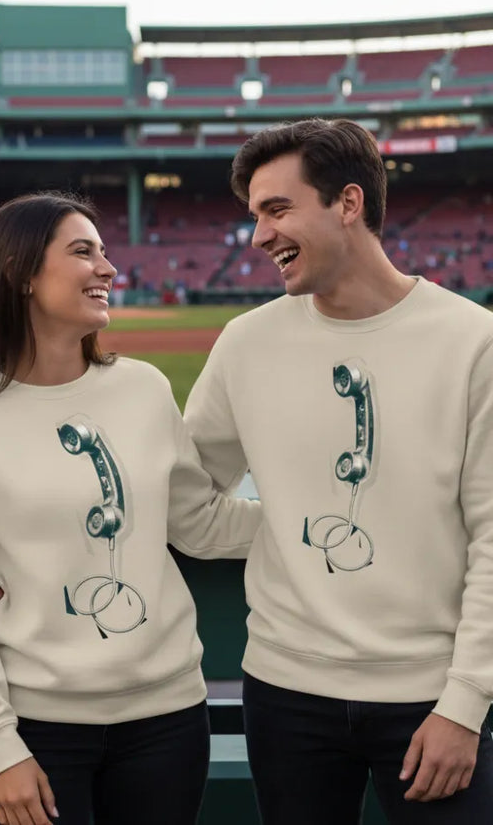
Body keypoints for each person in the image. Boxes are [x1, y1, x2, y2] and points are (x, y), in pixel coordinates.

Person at [0, 192, 261, 825]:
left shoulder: (144, 388)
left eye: (104, 251)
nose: (108, 268)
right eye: (82, 252)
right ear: (19, 273)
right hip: (35, 733)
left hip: (169, 721)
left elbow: (199, 522)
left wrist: (328, 518)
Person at [183, 119, 493, 824]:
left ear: (348, 204)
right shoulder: (246, 342)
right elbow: (183, 503)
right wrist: (287, 529)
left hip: (433, 700)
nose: (258, 235)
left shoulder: (474, 343)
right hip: (283, 695)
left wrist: (467, 702)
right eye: (254, 215)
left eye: (277, 209)